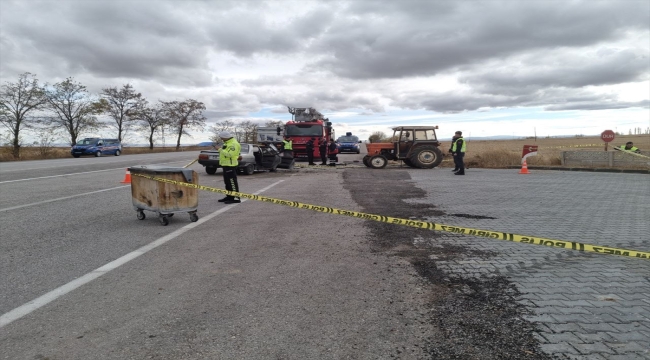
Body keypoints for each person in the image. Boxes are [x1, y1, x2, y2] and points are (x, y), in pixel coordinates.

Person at [217, 131, 242, 204]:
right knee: (227, 182)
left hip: (230, 165)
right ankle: (229, 196)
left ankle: (236, 198)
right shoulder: (227, 143)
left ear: (225, 137)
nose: (221, 139)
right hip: (226, 165)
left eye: (221, 137)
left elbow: (229, 154)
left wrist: (219, 149)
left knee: (232, 182)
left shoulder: (233, 144)